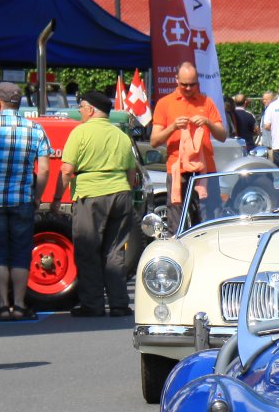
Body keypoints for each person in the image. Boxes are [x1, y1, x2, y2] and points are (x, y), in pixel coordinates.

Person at [0, 81, 51, 321]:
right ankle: (20, 305)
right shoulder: (35, 130)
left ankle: (3, 306)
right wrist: (37, 195)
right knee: (20, 253)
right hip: (22, 199)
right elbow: (44, 169)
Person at [54, 90, 140, 318]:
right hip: (121, 194)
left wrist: (56, 198)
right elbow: (131, 172)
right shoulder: (121, 135)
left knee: (87, 250)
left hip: (91, 195)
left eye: (81, 107)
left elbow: (67, 170)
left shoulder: (80, 132)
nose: (79, 111)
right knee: (115, 251)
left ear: (91, 110)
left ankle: (92, 304)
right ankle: (119, 303)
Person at [151, 61, 226, 227]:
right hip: (178, 169)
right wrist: (173, 127)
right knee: (177, 219)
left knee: (209, 217)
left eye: (192, 84)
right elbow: (154, 140)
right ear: (176, 79)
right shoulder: (165, 103)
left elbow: (222, 136)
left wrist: (208, 123)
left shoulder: (206, 102)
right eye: (184, 84)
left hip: (204, 169)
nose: (188, 88)